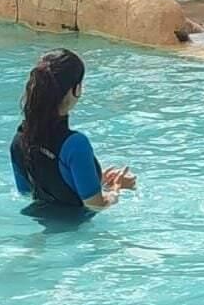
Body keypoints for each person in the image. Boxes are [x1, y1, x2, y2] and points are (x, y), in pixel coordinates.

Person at [9, 49, 136, 212]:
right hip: (78, 230)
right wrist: (116, 189)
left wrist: (98, 178)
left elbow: (28, 193)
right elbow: (95, 205)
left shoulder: (19, 140)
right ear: (75, 89)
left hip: (39, 221)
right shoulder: (76, 144)